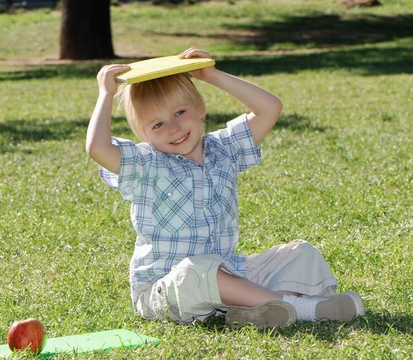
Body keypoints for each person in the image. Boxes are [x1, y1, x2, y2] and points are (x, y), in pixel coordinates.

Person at [86, 48, 365, 329]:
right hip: (168, 289)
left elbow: (270, 107)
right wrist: (105, 95)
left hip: (228, 273)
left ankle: (257, 312)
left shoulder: (223, 149)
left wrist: (211, 75)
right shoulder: (147, 164)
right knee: (196, 269)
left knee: (300, 253)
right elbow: (97, 147)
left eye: (180, 112)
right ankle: (304, 309)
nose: (173, 127)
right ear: (144, 136)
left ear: (201, 109)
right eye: (157, 124)